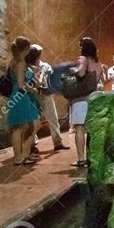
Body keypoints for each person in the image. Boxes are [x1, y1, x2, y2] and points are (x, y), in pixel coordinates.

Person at [27, 44, 70, 152]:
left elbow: (53, 78)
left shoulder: (45, 65)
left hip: (46, 93)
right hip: (33, 94)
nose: (39, 55)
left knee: (53, 118)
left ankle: (58, 142)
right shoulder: (27, 67)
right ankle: (33, 145)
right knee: (32, 120)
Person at [69, 37, 104, 168]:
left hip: (81, 98)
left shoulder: (82, 59)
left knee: (79, 128)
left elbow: (81, 73)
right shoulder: (97, 62)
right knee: (90, 130)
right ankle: (91, 157)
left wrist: (73, 70)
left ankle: (81, 159)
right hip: (93, 98)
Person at [7, 37, 41, 166]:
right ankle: (19, 157)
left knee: (24, 127)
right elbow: (21, 86)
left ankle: (22, 155)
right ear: (26, 49)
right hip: (20, 96)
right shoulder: (20, 64)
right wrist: (33, 89)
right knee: (20, 128)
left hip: (17, 96)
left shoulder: (13, 62)